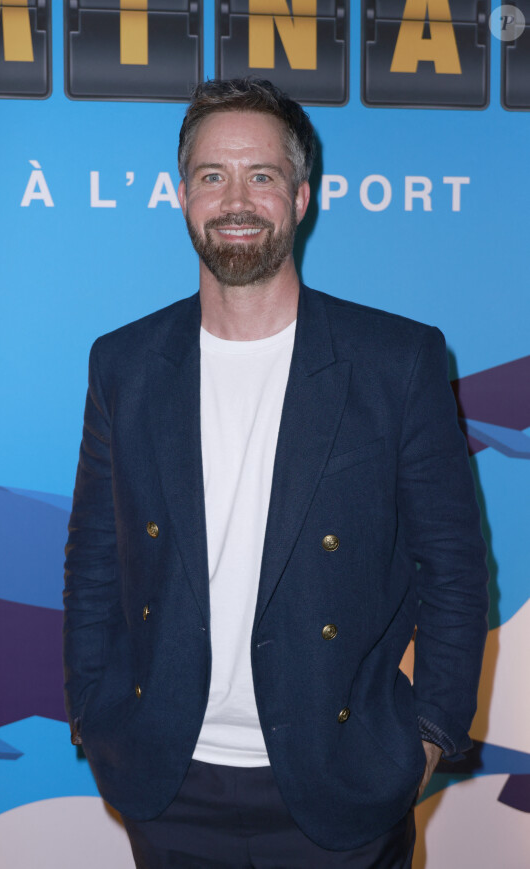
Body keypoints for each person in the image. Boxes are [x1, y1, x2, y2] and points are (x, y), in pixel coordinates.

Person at [63, 78, 488, 868]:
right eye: (212, 176)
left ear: (299, 197)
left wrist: (428, 738)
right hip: (167, 777)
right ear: (182, 195)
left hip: (341, 782)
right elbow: (94, 557)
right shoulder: (122, 363)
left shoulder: (396, 360)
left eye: (260, 175)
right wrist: (92, 711)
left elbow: (455, 571)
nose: (235, 199)